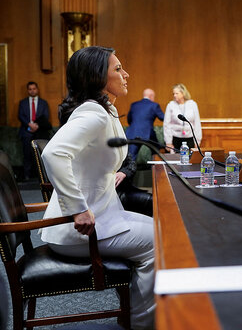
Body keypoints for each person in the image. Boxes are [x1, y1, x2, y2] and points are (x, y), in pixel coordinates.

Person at [40, 46, 155, 329]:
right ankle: (143, 323)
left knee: (162, 228)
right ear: (97, 77)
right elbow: (52, 154)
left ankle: (135, 313)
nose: (126, 74)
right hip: (78, 230)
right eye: (118, 69)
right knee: (162, 243)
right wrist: (78, 210)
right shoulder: (94, 114)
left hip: (102, 217)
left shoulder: (106, 110)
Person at [17, 81, 51, 180]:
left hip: (40, 132)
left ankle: (40, 177)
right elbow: (20, 115)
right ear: (28, 90)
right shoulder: (22, 102)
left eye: (34, 89)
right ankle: (27, 176)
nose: (32, 91)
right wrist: (29, 124)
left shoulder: (43, 103)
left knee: (40, 155)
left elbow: (46, 116)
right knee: (27, 154)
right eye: (30, 89)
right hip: (26, 131)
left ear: (37, 89)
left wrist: (36, 125)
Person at [126, 88, 164, 160]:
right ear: (151, 96)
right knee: (156, 153)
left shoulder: (134, 105)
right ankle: (157, 170)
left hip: (133, 133)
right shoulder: (154, 105)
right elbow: (163, 118)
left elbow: (129, 119)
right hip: (148, 134)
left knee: (131, 157)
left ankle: (129, 170)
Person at [164, 83, 202, 151]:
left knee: (190, 159)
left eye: (176, 93)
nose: (174, 95)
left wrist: (197, 141)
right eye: (173, 94)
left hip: (190, 138)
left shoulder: (193, 104)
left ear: (183, 93)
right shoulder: (170, 105)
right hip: (175, 138)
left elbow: (197, 123)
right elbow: (167, 125)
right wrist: (168, 142)